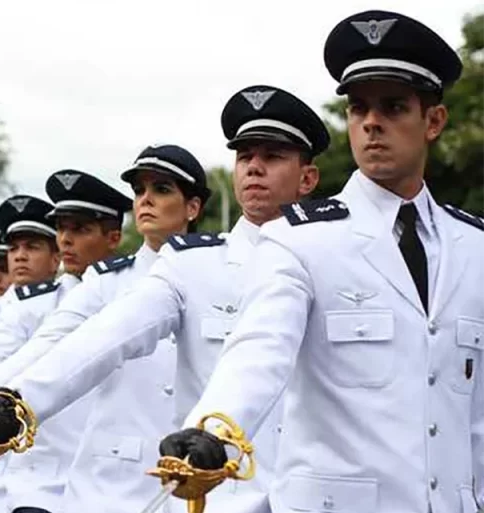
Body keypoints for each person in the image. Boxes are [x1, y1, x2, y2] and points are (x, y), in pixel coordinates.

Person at [165, 10, 484, 513]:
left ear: (434, 121)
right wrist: (213, 430)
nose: (372, 122)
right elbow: (258, 350)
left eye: (394, 106)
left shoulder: (474, 246)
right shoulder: (300, 240)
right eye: (359, 109)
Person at [0, 83, 329, 513]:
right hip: (218, 497)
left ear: (307, 177)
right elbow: (104, 338)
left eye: (271, 157)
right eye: (244, 157)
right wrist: (20, 399)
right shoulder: (193, 266)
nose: (254, 168)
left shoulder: (339, 257)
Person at [0, 144, 208, 513]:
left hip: (195, 476)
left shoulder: (219, 275)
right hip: (108, 483)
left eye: (161, 189)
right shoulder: (106, 282)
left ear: (192, 207)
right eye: (140, 191)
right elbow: (48, 345)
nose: (145, 200)